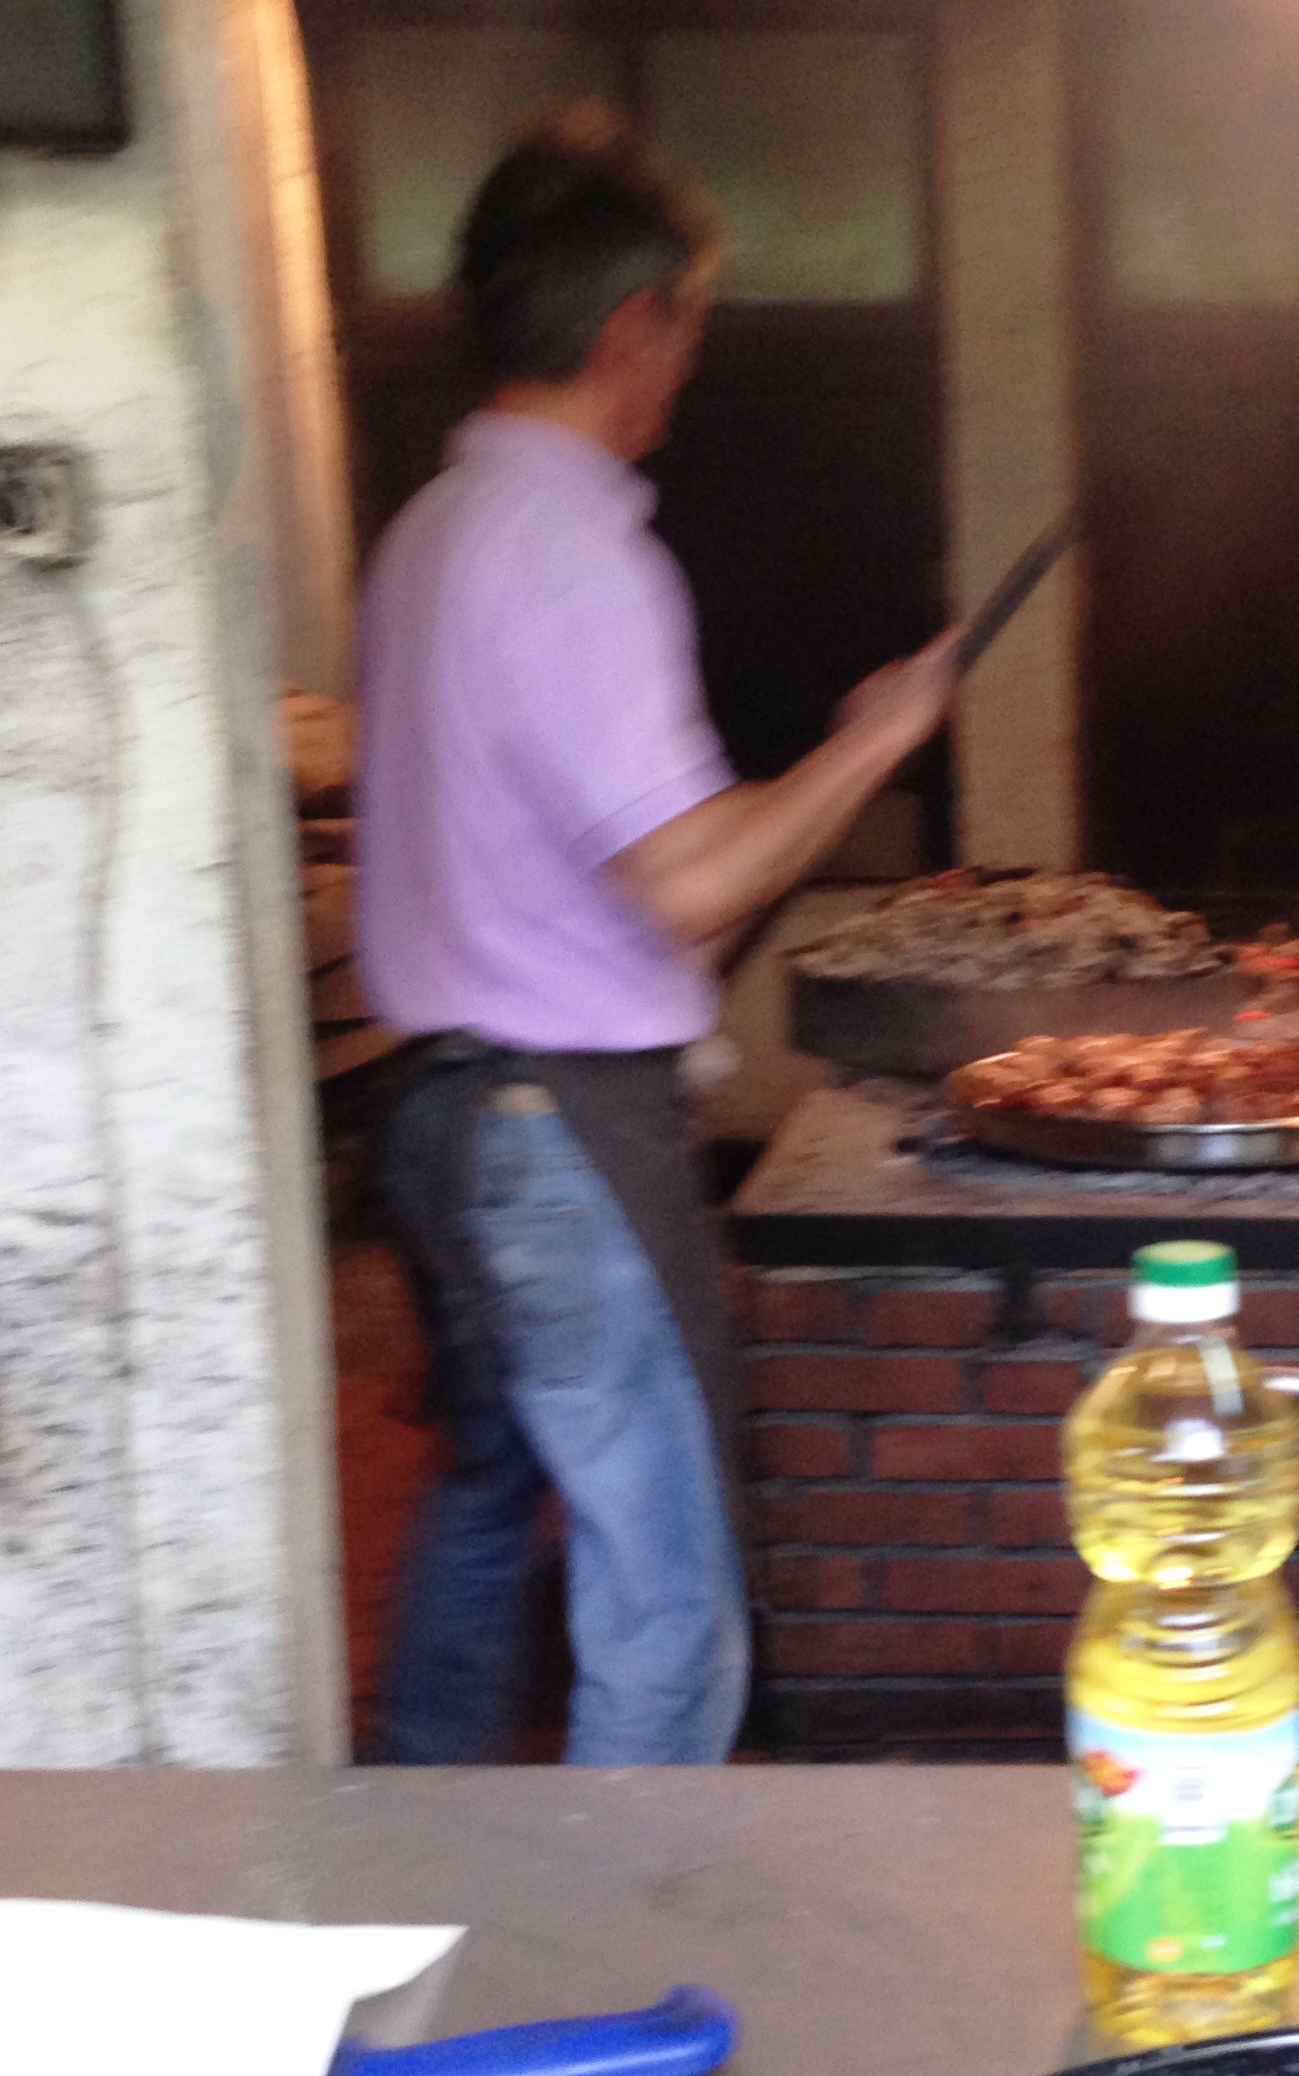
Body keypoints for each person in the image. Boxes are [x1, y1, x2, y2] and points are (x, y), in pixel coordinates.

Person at [354, 109, 960, 1763]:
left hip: (438, 1115)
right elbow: (691, 880)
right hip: (558, 1133)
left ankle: (412, 1863)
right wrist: (874, 742)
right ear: (634, 325)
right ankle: (631, 1919)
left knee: (484, 1507)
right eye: (688, 328)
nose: (688, 365)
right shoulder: (570, 553)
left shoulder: (429, 533)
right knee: (666, 1599)